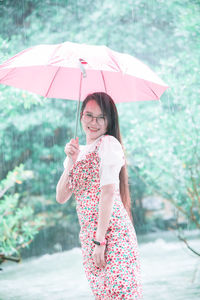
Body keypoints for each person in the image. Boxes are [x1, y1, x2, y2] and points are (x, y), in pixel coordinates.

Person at [56, 92, 143, 299]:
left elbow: (108, 193)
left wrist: (100, 241)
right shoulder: (79, 152)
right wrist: (71, 161)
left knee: (121, 293)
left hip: (112, 234)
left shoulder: (109, 144)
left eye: (101, 117)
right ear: (81, 117)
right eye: (89, 115)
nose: (94, 122)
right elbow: (61, 196)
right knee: (104, 295)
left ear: (109, 121)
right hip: (89, 237)